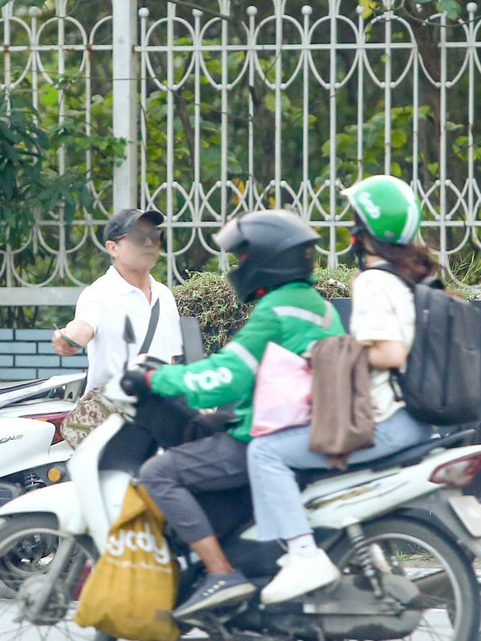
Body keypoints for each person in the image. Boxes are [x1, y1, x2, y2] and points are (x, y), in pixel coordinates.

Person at [122, 209, 345, 619]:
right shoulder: (315, 305)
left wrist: (160, 379)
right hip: (306, 429)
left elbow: (225, 378)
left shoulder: (278, 310)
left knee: (159, 474)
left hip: (275, 438)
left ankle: (221, 573)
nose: (237, 268)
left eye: (242, 259)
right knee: (204, 427)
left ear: (267, 259)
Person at [245, 175, 435, 604]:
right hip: (414, 418)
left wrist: (331, 351)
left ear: (365, 232)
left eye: (354, 222)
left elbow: (388, 352)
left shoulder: (373, 281)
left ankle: (303, 553)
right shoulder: (412, 278)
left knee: (266, 452)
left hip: (386, 421)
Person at [52, 208, 183, 390]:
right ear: (113, 248)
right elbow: (81, 327)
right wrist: (66, 338)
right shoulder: (99, 294)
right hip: (114, 413)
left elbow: (172, 359)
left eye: (154, 235)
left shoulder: (164, 295)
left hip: (159, 411)